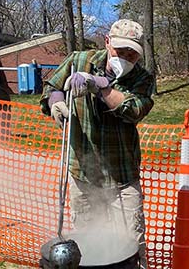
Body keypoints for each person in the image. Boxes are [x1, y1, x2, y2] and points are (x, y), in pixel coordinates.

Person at [40, 19, 154, 269]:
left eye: (131, 53)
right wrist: (56, 103)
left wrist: (98, 86)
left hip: (122, 177)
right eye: (119, 50)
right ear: (107, 42)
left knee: (132, 245)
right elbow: (52, 86)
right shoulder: (79, 60)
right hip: (82, 175)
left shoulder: (142, 78)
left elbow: (134, 109)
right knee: (86, 242)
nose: (124, 57)